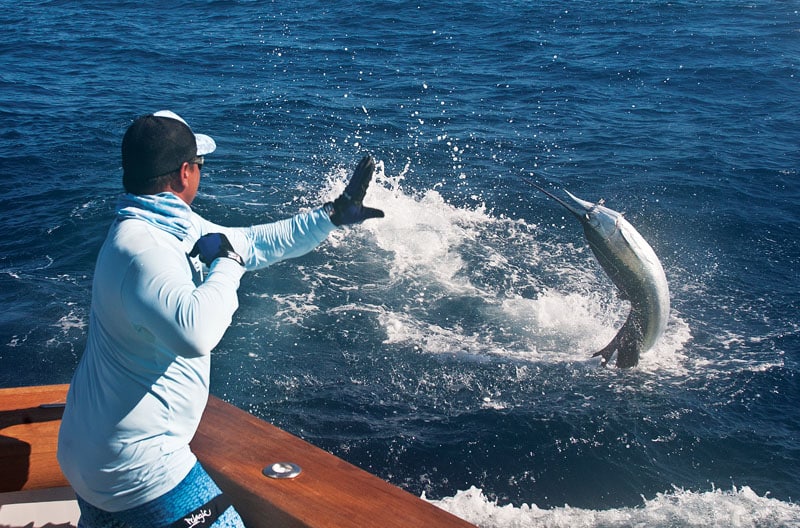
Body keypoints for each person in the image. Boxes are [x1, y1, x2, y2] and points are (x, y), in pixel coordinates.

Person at [57, 110, 384, 528]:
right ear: (184, 175)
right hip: (138, 470)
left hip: (96, 456)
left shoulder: (163, 223)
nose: (200, 173)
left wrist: (332, 216)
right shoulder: (144, 250)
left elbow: (250, 241)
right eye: (200, 165)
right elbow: (196, 332)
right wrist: (227, 265)